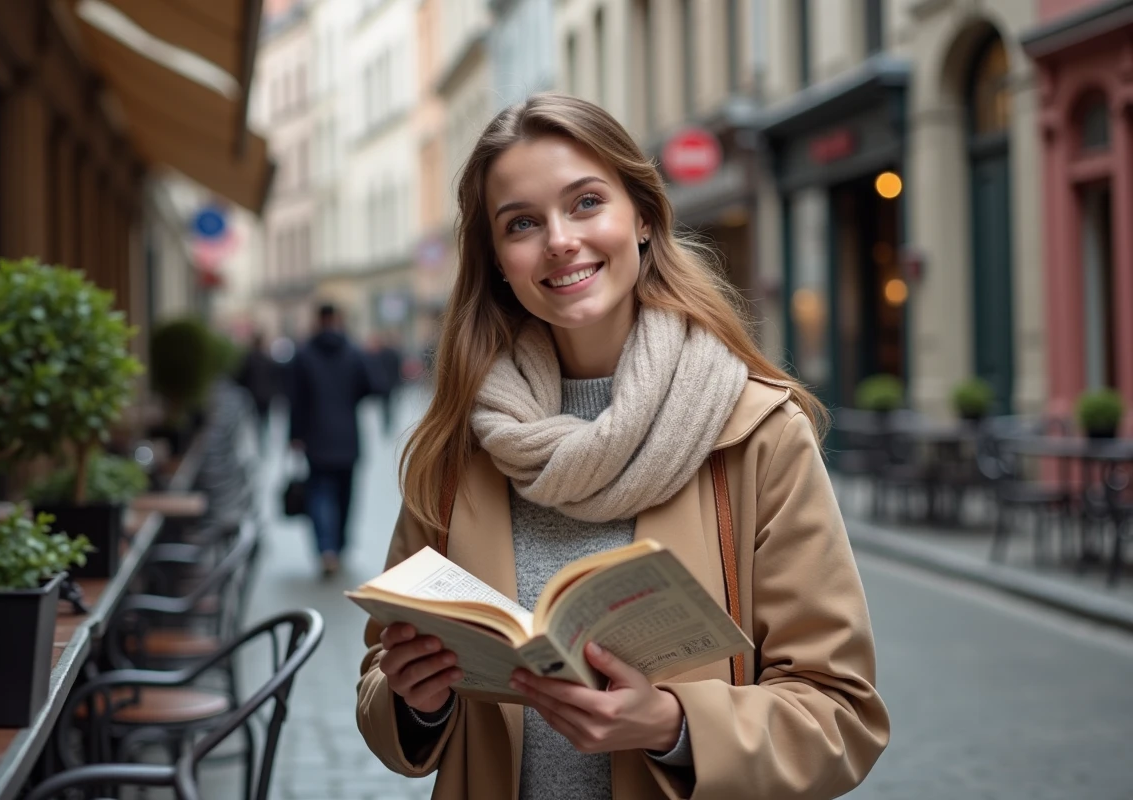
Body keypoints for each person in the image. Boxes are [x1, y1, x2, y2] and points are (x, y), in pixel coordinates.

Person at [356, 94, 889, 799]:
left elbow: (842, 715)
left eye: (584, 204)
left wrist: (671, 725)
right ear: (498, 259)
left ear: (641, 216)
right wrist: (418, 701)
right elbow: (378, 682)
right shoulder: (464, 443)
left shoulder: (755, 431)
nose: (559, 240)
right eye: (522, 223)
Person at [289, 303, 376, 577]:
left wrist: (294, 435)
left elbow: (295, 400)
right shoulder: (353, 352)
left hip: (315, 438)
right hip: (347, 437)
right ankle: (339, 545)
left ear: (318, 320)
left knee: (319, 493)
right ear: (337, 319)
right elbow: (372, 386)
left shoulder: (303, 354)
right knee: (344, 495)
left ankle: (326, 549)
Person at [235, 331, 281, 439]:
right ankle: (263, 437)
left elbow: (241, 376)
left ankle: (260, 437)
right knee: (264, 418)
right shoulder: (267, 359)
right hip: (265, 394)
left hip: (253, 394)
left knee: (256, 419)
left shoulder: (249, 359)